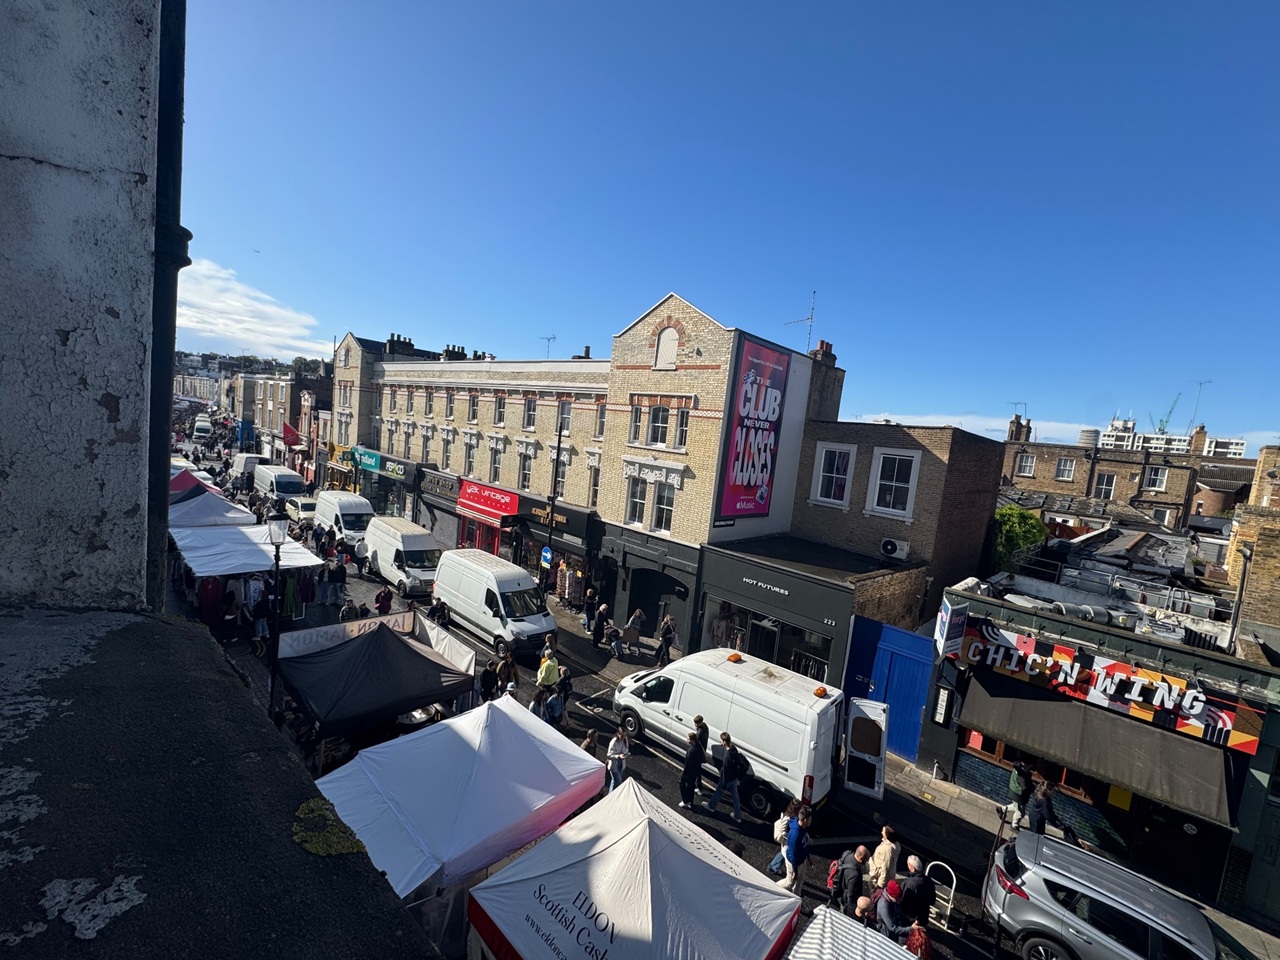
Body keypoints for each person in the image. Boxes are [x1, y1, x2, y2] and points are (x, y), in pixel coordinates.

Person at [701, 731, 748, 824]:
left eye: (721, 741)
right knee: (735, 796)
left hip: (727, 778)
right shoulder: (734, 749)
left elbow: (726, 771)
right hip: (734, 777)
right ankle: (738, 816)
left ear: (724, 742)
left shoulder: (727, 756)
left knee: (719, 792)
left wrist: (724, 782)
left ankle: (711, 806)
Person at [777, 806, 811, 892]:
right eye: (810, 819)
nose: (811, 820)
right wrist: (795, 870)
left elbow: (805, 845)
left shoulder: (802, 827)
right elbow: (792, 854)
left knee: (800, 880)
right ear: (805, 820)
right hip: (794, 862)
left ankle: (796, 898)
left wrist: (808, 858)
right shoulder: (795, 835)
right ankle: (772, 888)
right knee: (789, 883)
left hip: (801, 860)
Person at [875, 880, 921, 944]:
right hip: (887, 935)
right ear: (890, 895)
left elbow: (898, 913)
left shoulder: (893, 900)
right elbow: (893, 929)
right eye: (897, 898)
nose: (899, 900)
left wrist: (910, 919)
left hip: (895, 926)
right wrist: (911, 928)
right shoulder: (883, 907)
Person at [831, 846, 870, 915]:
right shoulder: (855, 874)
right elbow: (851, 895)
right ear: (861, 859)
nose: (866, 862)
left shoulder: (847, 854)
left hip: (838, 890)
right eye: (866, 860)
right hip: (844, 898)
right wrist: (851, 911)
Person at [899, 855, 937, 923]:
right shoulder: (929, 881)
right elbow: (932, 901)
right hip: (923, 917)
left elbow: (903, 901)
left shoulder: (909, 883)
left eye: (908, 865)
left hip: (909, 918)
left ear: (913, 868)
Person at [769, 799, 801, 875]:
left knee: (784, 853)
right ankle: (777, 868)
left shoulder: (793, 816)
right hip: (786, 839)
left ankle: (773, 866)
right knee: (786, 853)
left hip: (788, 839)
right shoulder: (788, 818)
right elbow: (782, 831)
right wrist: (790, 837)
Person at [868, 824, 901, 891]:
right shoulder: (893, 844)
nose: (881, 832)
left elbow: (886, 868)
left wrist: (880, 885)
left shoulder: (887, 849)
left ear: (887, 835)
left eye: (883, 831)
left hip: (878, 877)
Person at [678, 730, 705, 809]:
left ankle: (685, 800)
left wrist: (684, 774)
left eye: (688, 739)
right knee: (691, 786)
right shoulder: (698, 746)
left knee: (681, 783)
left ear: (692, 740)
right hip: (696, 770)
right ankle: (690, 802)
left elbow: (687, 764)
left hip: (689, 771)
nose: (687, 740)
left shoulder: (691, 751)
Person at [1008, 760, 1033, 825]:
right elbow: (1024, 786)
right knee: (1020, 812)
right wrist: (1030, 789)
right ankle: (1014, 825)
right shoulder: (1021, 772)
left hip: (1016, 793)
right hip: (1017, 794)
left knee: (1015, 807)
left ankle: (1002, 810)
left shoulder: (1025, 772)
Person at [606, 727, 630, 793]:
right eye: (621, 735)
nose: (623, 737)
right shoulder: (613, 742)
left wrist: (625, 754)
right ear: (617, 734)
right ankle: (611, 796)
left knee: (614, 780)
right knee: (618, 781)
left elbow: (626, 750)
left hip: (621, 763)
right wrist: (618, 756)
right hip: (614, 764)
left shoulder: (625, 740)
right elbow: (609, 755)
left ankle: (610, 795)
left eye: (624, 736)